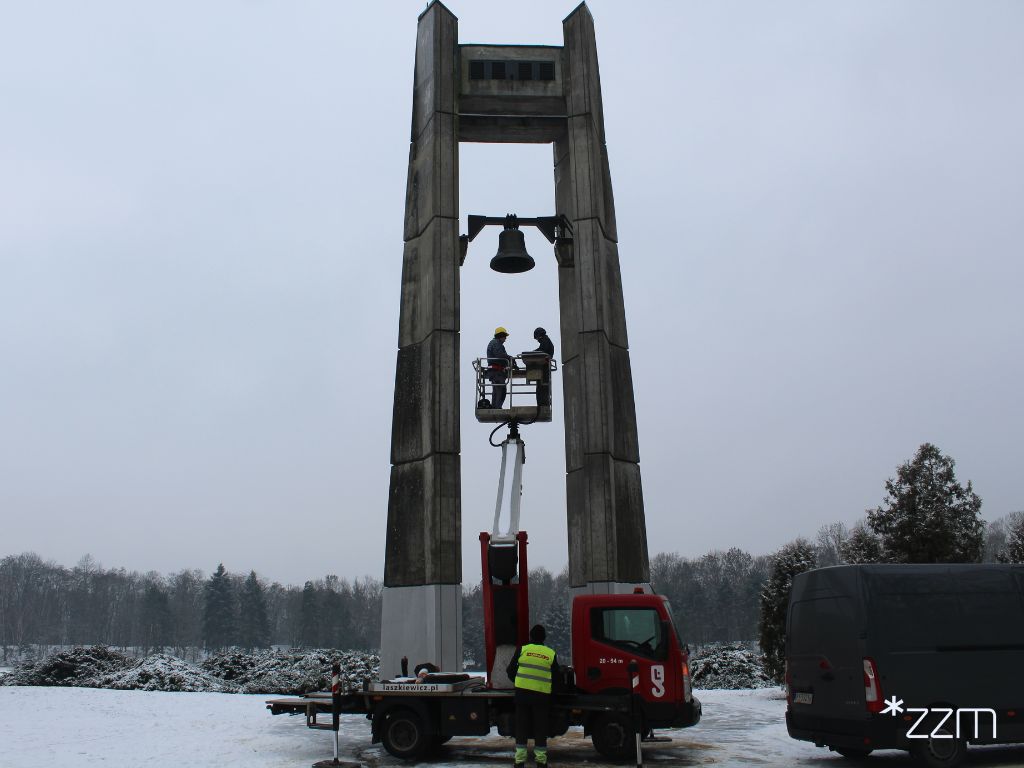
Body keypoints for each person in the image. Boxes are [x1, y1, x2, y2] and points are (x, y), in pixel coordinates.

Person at [507, 624, 559, 767]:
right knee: (540, 729)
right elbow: (557, 678)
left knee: (521, 729)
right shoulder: (550, 653)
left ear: (530, 636)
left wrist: (519, 682)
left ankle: (519, 762)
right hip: (541, 697)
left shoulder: (523, 650)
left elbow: (510, 670)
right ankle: (541, 762)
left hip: (522, 695)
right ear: (544, 638)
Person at [486, 326, 516, 408]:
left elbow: (501, 357)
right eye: (504, 336)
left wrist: (509, 362)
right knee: (501, 390)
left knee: (497, 390)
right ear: (500, 335)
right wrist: (510, 359)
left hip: (495, 371)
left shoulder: (496, 343)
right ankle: (497, 407)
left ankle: (495, 407)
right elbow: (500, 356)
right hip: (496, 372)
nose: (505, 338)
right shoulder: (496, 343)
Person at [532, 327, 555, 407]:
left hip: (544, 367)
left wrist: (532, 353)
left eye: (537, 338)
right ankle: (542, 403)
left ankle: (542, 403)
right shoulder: (546, 340)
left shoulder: (545, 340)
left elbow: (542, 350)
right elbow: (541, 349)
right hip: (544, 366)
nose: (537, 340)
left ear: (539, 335)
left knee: (542, 386)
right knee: (542, 386)